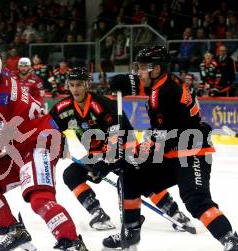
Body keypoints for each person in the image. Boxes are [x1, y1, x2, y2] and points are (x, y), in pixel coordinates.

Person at [103, 46, 238, 251]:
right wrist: (125, 82)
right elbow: (145, 88)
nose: (138, 72)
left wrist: (132, 155)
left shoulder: (163, 95)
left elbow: (160, 138)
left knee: (195, 198)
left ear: (156, 69)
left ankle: (234, 244)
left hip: (192, 151)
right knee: (130, 179)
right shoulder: (162, 83)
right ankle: (130, 232)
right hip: (173, 150)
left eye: (143, 67)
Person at [0, 49, 94, 251]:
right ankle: (14, 231)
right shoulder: (6, 75)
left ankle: (74, 245)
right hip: (23, 145)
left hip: (40, 144)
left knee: (39, 198)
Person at [49, 67, 195, 233]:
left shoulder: (103, 106)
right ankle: (97, 213)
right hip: (97, 154)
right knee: (71, 175)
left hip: (125, 148)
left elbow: (116, 137)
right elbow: (49, 127)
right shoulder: (63, 108)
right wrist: (57, 142)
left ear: (87, 85)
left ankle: (174, 212)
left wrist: (106, 163)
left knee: (136, 180)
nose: (75, 89)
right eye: (72, 85)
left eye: (79, 85)